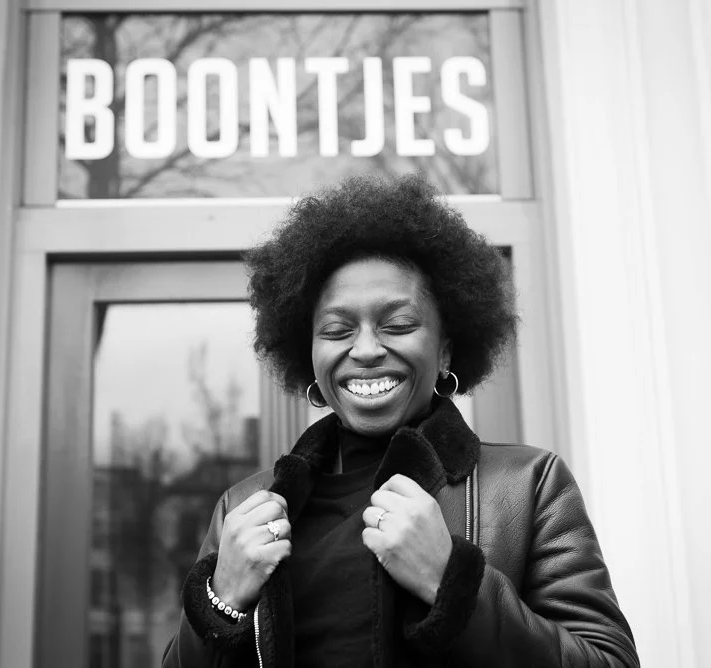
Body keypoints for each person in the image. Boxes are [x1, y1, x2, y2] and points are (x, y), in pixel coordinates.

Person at [162, 174, 639, 668]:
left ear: (445, 348)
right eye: (337, 329)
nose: (366, 349)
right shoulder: (243, 508)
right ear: (309, 355)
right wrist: (223, 600)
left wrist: (451, 584)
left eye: (398, 325)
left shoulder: (527, 487)